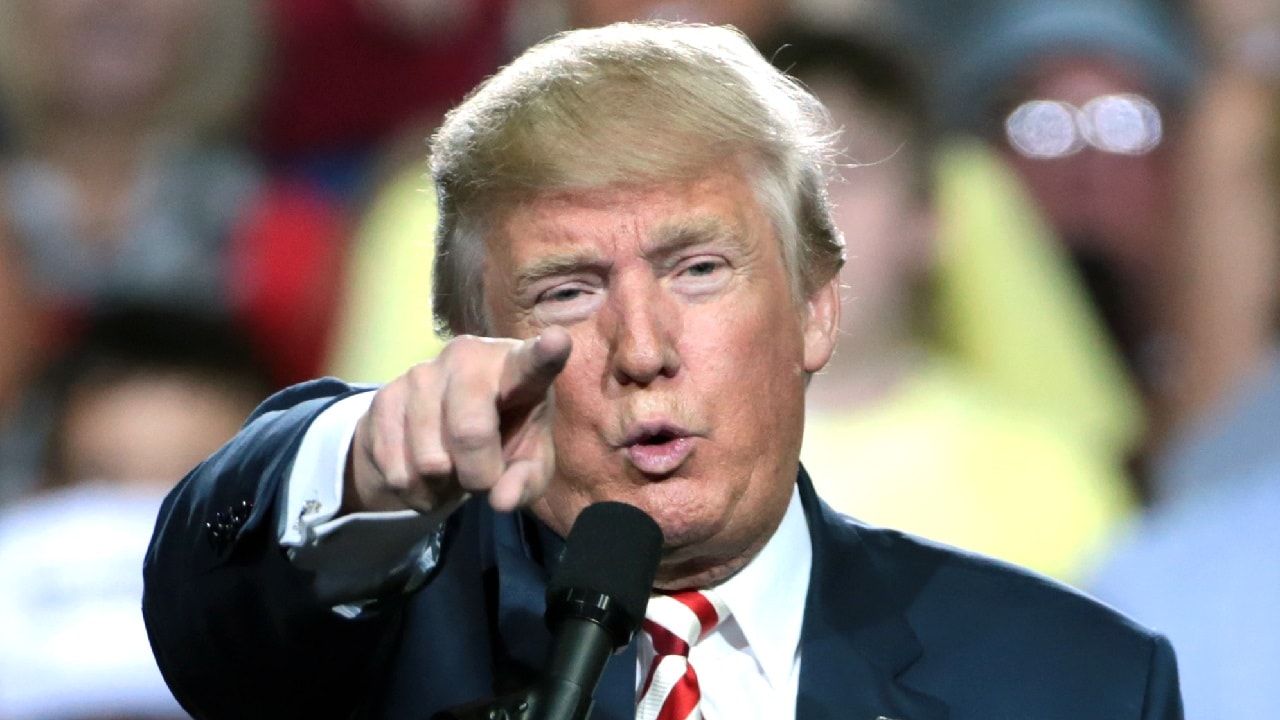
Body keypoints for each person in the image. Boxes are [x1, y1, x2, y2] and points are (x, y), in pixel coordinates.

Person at [143, 22, 1183, 719]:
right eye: (565, 290)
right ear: (473, 340)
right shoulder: (380, 636)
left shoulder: (1070, 681)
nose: (640, 349)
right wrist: (357, 457)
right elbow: (206, 596)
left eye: (696, 270)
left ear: (815, 307)